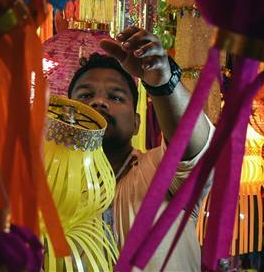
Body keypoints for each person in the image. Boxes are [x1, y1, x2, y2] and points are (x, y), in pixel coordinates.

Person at [67, 26, 214, 271]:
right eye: (84, 96)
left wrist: (162, 82)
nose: (98, 102)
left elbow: (194, 145)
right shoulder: (48, 190)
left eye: (115, 97)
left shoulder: (162, 172)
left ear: (136, 124)